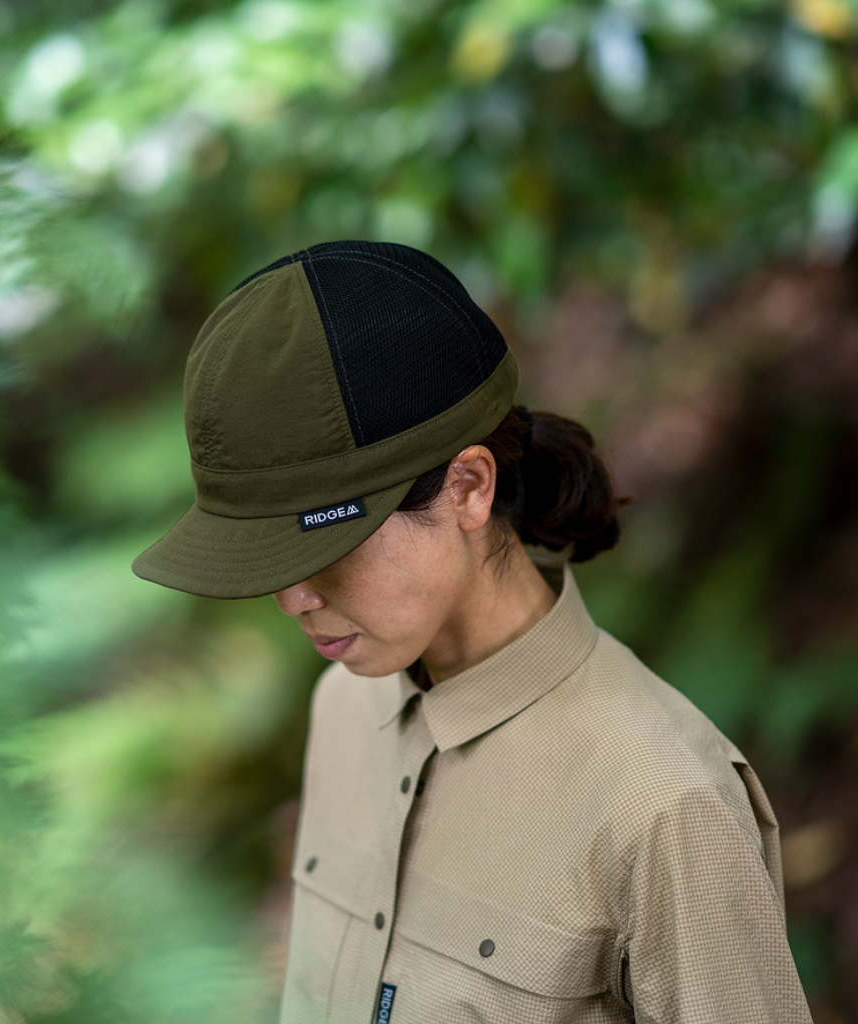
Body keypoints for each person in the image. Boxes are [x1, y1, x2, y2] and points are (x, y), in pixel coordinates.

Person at [132, 241, 813, 1024]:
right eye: (269, 558)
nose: (294, 598)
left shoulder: (665, 804)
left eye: (323, 547)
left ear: (468, 487)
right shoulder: (343, 708)